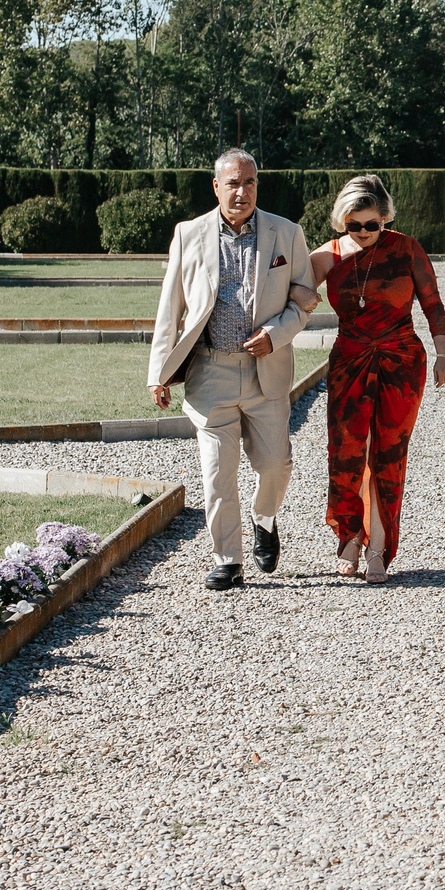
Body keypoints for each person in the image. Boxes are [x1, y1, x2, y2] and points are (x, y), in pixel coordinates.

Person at [148, 149, 320, 590]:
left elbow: (303, 300)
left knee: (276, 466)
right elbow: (171, 308)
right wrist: (158, 372)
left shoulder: (287, 233)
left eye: (250, 182)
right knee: (217, 473)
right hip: (210, 373)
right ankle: (228, 558)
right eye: (233, 183)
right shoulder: (188, 234)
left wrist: (276, 335)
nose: (242, 191)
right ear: (216, 186)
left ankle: (265, 518)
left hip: (268, 371)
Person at [310, 175, 445, 584]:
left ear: (385, 218)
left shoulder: (406, 248)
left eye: (372, 224)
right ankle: (350, 536)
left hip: (401, 360)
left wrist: (444, 353)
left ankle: (379, 547)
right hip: (349, 361)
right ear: (342, 222)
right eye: (354, 225)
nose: (364, 233)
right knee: (348, 452)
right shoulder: (327, 256)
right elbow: (286, 289)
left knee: (387, 455)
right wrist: (302, 296)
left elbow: (432, 302)